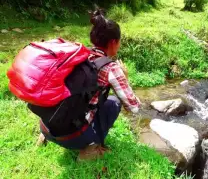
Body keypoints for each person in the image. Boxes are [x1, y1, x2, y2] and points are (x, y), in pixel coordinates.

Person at [38, 9, 141, 161]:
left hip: (46, 124)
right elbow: (134, 107)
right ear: (113, 42)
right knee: (114, 103)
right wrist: (125, 78)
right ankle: (89, 149)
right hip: (70, 138)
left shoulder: (78, 54)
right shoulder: (111, 68)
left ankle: (44, 135)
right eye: (119, 41)